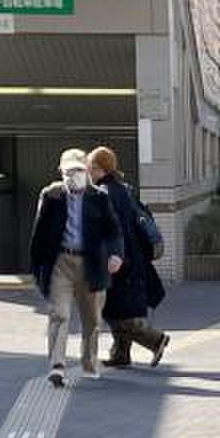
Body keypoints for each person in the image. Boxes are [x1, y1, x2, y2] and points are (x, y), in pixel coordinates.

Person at [29, 147, 122, 386]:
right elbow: (38, 234)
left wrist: (115, 255)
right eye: (68, 171)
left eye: (79, 170)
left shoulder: (99, 197)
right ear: (61, 172)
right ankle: (57, 366)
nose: (73, 176)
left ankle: (89, 363)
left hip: (91, 264)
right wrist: (38, 269)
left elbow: (113, 231)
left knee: (91, 319)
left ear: (87, 171)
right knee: (59, 314)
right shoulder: (50, 196)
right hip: (61, 261)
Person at [86, 144, 170, 369]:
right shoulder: (122, 188)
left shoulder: (105, 193)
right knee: (118, 307)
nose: (88, 172)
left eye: (90, 167)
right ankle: (120, 353)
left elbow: (112, 229)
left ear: (100, 168)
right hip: (132, 258)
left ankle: (155, 339)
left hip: (121, 260)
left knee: (118, 312)